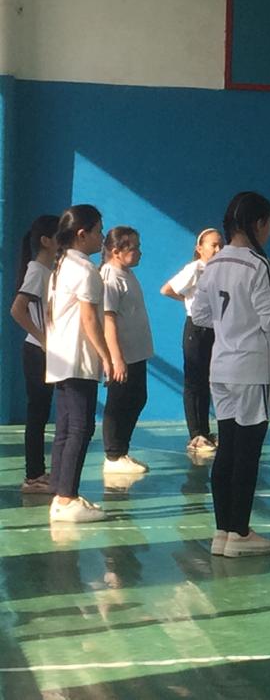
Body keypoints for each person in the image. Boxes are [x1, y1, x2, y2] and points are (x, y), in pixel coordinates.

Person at [192, 192, 270, 557]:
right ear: (259, 223)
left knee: (228, 449)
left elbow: (200, 315)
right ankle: (240, 534)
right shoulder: (259, 265)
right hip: (252, 369)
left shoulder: (213, 263)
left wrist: (229, 323)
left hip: (221, 368)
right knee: (247, 452)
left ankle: (223, 532)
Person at [45, 205, 112, 523]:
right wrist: (106, 355)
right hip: (77, 358)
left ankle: (60, 493)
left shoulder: (61, 266)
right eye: (99, 231)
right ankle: (66, 497)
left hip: (61, 357)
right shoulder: (84, 269)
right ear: (82, 235)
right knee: (80, 428)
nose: (102, 237)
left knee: (66, 427)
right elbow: (89, 319)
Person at [160, 228, 224, 453]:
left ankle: (205, 432)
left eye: (221, 245)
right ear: (199, 248)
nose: (218, 249)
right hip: (196, 330)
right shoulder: (194, 269)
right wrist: (189, 301)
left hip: (214, 330)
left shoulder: (221, 271)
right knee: (194, 381)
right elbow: (167, 289)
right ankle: (195, 435)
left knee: (207, 381)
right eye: (213, 245)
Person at [9, 214, 59, 494]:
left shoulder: (47, 270)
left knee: (41, 412)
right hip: (36, 352)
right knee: (37, 414)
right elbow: (17, 309)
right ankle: (33, 476)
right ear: (46, 241)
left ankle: (38, 471)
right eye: (60, 236)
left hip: (43, 351)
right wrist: (44, 339)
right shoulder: (37, 271)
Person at [100, 226, 154, 475]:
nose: (139, 252)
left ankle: (122, 451)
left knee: (137, 398)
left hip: (137, 353)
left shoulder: (127, 274)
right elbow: (108, 319)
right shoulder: (110, 276)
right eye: (134, 248)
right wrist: (116, 358)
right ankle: (112, 455)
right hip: (122, 355)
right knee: (118, 402)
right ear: (116, 251)